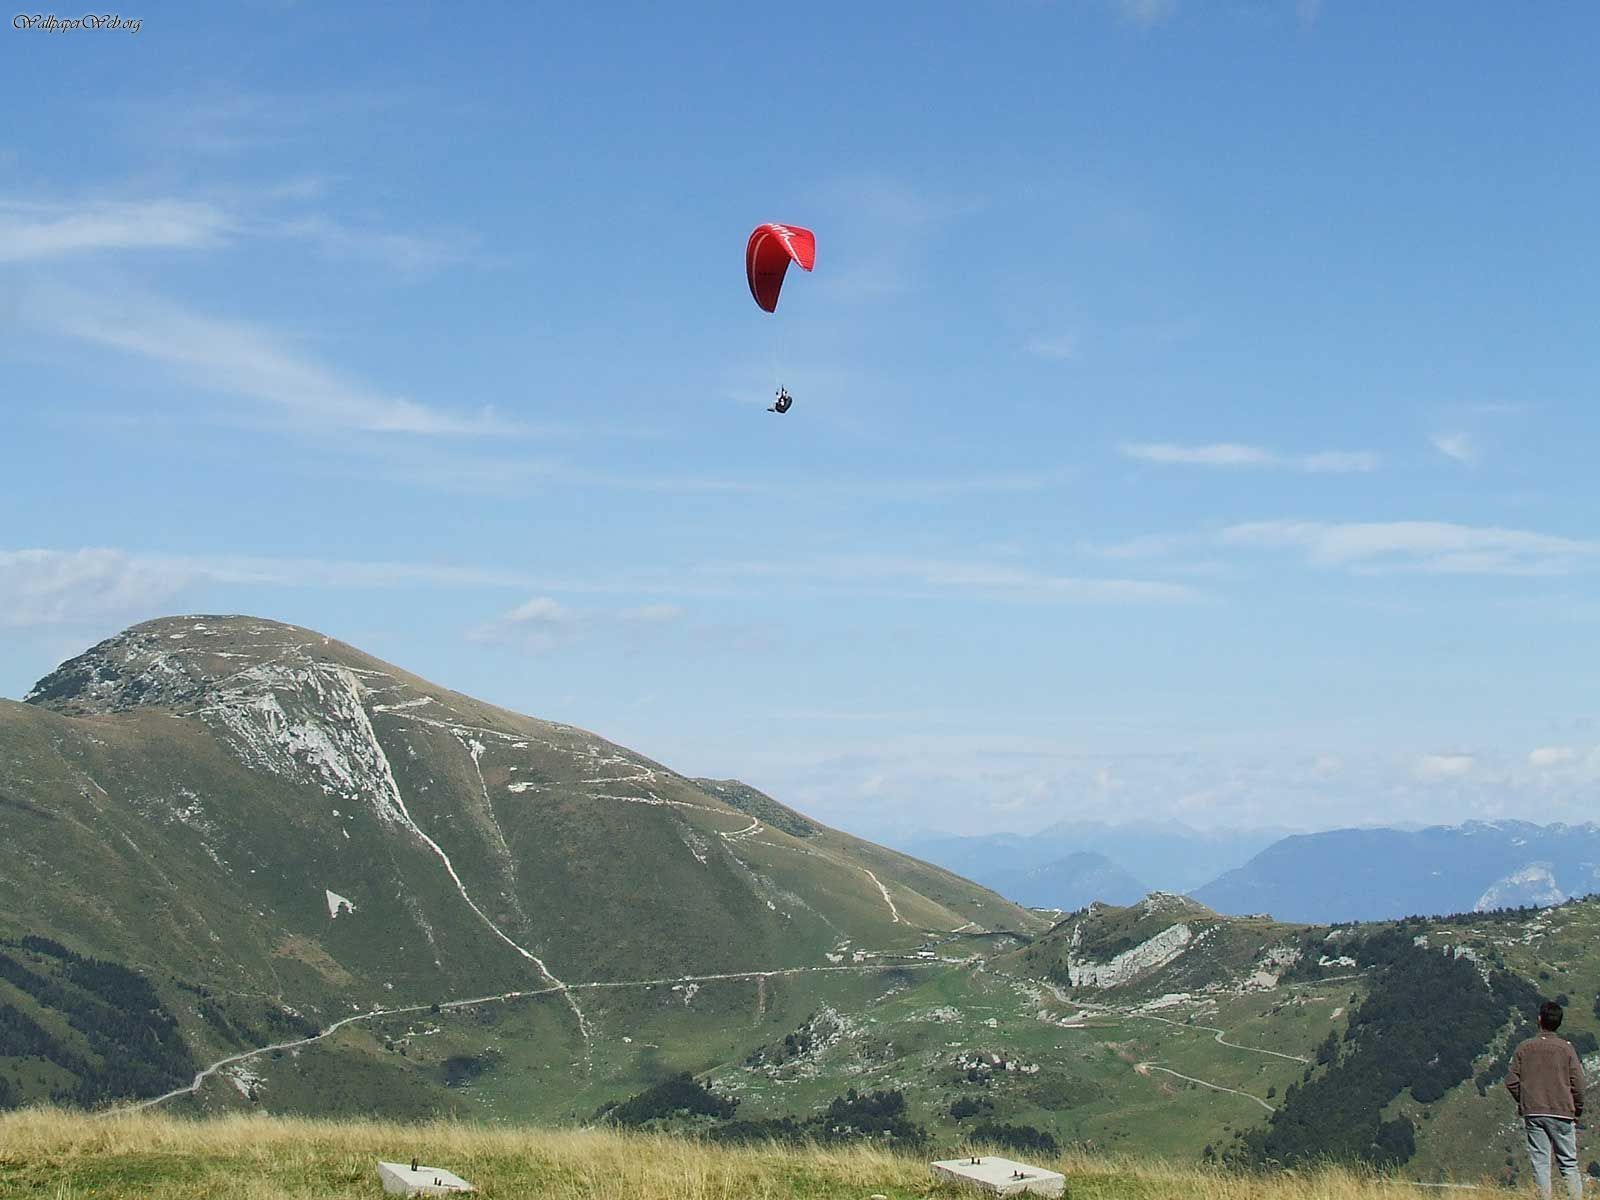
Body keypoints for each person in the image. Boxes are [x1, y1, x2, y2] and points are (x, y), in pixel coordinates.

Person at [1507, 1000, 1587, 1200]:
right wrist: (1577, 1109)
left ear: (1539, 1019)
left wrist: (1525, 1099)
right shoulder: (1566, 1049)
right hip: (1562, 1111)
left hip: (1534, 1112)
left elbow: (1511, 1081)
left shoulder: (1525, 1047)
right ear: (1559, 1022)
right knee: (1568, 1163)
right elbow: (1578, 1084)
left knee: (1540, 1163)